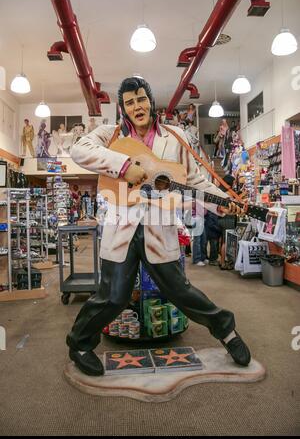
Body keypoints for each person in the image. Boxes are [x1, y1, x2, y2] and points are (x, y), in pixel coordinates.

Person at [67, 76, 251, 376]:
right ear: (123, 108)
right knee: (112, 296)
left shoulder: (175, 137)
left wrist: (221, 201)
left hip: (159, 225)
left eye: (141, 99)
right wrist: (124, 167)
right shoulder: (110, 134)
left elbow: (194, 180)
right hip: (120, 225)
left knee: (181, 292)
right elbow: (79, 150)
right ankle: (79, 344)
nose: (136, 106)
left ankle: (226, 331)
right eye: (129, 102)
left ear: (151, 101)